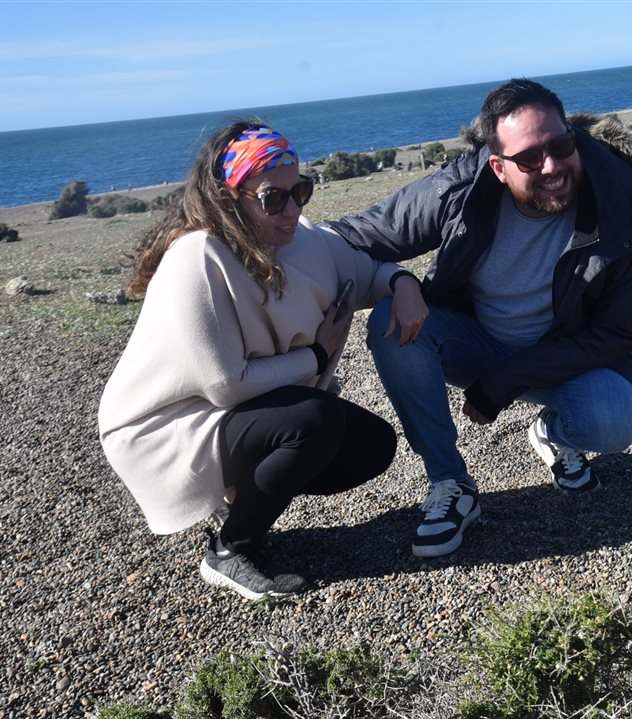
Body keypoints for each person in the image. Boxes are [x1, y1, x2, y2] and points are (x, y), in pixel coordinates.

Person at [329, 78, 632, 559]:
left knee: (615, 422)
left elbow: (617, 332)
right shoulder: (459, 188)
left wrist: (507, 381)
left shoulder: (619, 204)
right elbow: (363, 235)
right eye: (530, 158)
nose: (552, 166)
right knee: (393, 319)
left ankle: (551, 433)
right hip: (474, 342)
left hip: (567, 355)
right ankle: (450, 484)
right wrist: (397, 280)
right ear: (497, 165)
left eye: (561, 146)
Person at [98, 121, 427, 600]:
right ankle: (232, 550)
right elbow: (225, 385)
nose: (292, 209)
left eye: (301, 192)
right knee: (313, 420)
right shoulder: (198, 257)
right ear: (231, 198)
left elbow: (369, 271)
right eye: (274, 198)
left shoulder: (307, 241)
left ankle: (251, 511)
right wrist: (315, 354)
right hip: (170, 424)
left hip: (247, 406)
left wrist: (404, 284)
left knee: (372, 444)